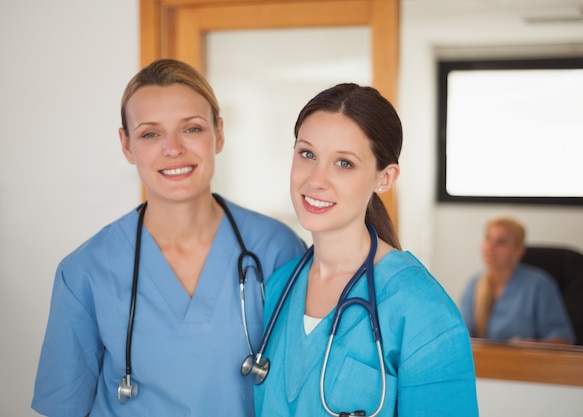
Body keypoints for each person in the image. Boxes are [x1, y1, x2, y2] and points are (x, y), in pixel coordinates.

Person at [31, 58, 307, 417]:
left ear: (218, 134)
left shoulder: (277, 250)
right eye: (150, 133)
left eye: (191, 129)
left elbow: (302, 385)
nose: (173, 148)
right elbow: (63, 407)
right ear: (126, 145)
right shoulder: (85, 270)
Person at [251, 83, 478, 416]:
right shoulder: (277, 288)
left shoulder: (422, 310)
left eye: (344, 163)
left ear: (384, 178)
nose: (316, 179)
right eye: (307, 154)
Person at [459, 216, 574, 344]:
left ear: (518, 250)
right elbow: (463, 335)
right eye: (488, 238)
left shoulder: (540, 285)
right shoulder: (474, 284)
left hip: (528, 362)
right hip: (485, 362)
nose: (490, 247)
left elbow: (562, 339)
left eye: (501, 242)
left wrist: (533, 346)